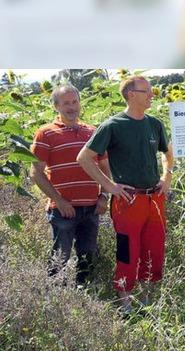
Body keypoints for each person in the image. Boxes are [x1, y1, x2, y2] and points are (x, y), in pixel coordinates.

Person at [77, 76, 174, 313]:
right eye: (147, 91)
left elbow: (168, 154)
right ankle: (125, 300)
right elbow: (84, 158)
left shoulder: (155, 124)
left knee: (154, 249)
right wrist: (110, 186)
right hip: (127, 200)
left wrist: (167, 178)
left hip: (155, 199)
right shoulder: (113, 125)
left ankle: (147, 299)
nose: (152, 95)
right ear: (131, 94)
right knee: (127, 250)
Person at [30, 84, 110, 286]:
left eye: (75, 102)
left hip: (92, 208)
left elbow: (105, 168)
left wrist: (103, 197)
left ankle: (84, 296)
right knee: (59, 259)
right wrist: (59, 200)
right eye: (66, 103)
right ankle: (54, 300)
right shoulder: (45, 133)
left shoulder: (92, 132)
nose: (72, 107)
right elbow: (36, 173)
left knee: (87, 256)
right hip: (63, 210)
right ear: (56, 106)